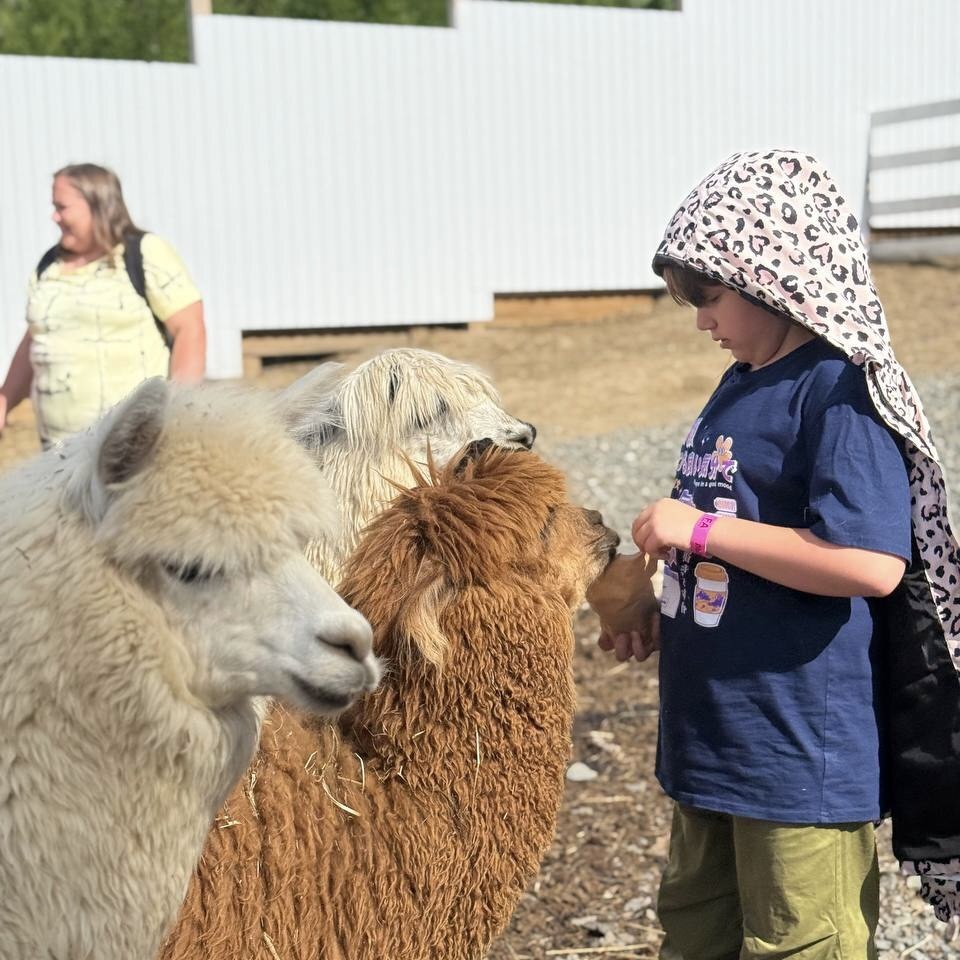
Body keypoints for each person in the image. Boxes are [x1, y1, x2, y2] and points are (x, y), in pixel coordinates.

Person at [591, 149, 960, 957]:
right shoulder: (739, 383)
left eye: (709, 294)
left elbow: (869, 563)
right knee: (697, 931)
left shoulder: (839, 390)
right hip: (710, 742)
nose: (700, 319)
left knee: (800, 941)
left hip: (795, 760)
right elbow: (737, 530)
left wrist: (697, 531)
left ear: (776, 276)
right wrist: (660, 604)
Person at [0, 163, 205, 447]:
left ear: (98, 204)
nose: (54, 217)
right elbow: (37, 338)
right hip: (58, 453)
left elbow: (190, 328)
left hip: (129, 449)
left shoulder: (143, 253)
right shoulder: (49, 266)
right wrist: (4, 400)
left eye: (62, 207)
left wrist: (179, 413)